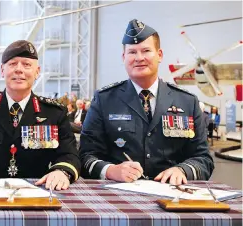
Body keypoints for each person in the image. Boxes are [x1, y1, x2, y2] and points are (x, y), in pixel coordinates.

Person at [79, 19, 213, 185]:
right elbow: (85, 155)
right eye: (132, 52)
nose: (139, 58)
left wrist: (183, 170)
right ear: (123, 57)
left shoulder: (187, 102)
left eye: (146, 50)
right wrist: (111, 170)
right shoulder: (104, 100)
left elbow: (203, 158)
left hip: (173, 195)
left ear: (160, 55)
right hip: (119, 194)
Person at [0, 40, 80, 190]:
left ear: (37, 71)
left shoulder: (54, 113)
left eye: (26, 64)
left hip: (37, 192)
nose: (19, 70)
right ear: (2, 70)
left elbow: (70, 154)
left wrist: (61, 172)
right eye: (12, 64)